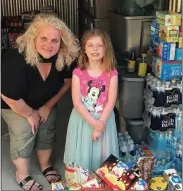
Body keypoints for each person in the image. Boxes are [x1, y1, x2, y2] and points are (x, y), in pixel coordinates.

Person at [1, 14, 80, 190]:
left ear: (62, 43)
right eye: (43, 38)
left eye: (55, 40)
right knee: (25, 129)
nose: (49, 45)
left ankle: (46, 165)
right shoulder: (16, 59)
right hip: (15, 104)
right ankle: (22, 174)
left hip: (43, 102)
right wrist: (30, 114)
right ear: (33, 38)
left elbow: (67, 83)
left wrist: (47, 106)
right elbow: (7, 95)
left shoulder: (64, 57)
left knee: (48, 124)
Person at [64, 29, 119, 171]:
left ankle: (101, 182)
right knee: (82, 154)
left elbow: (111, 101)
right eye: (90, 45)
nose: (95, 49)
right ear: (84, 49)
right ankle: (82, 182)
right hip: (83, 120)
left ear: (106, 48)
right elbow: (76, 102)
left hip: (104, 120)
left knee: (102, 155)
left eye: (100, 45)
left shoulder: (112, 73)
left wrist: (100, 125)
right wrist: (94, 124)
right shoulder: (77, 73)